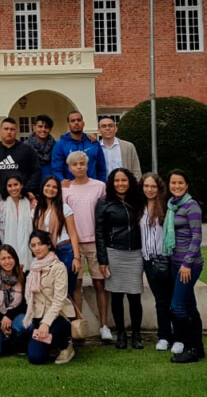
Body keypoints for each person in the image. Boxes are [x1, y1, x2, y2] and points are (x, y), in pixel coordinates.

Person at [62, 151, 111, 341]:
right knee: (77, 284)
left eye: (82, 163)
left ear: (87, 165)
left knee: (100, 283)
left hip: (96, 242)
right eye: (75, 164)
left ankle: (104, 326)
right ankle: (78, 325)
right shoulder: (66, 189)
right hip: (74, 244)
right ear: (69, 168)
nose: (79, 167)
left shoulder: (99, 186)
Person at [95, 168, 143, 350]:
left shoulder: (137, 200)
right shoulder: (104, 202)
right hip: (114, 252)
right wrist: (102, 260)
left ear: (129, 182)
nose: (120, 184)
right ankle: (121, 334)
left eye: (124, 180)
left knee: (134, 296)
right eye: (116, 180)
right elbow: (99, 232)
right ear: (111, 183)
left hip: (135, 253)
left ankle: (136, 334)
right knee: (116, 296)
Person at [165, 169, 204, 363]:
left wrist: (187, 263)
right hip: (175, 263)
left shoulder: (191, 206)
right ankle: (198, 348)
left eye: (180, 183)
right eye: (173, 183)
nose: (177, 186)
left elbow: (197, 236)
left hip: (188, 265)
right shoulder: (172, 206)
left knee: (177, 307)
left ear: (187, 185)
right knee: (189, 306)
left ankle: (190, 348)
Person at [138, 173, 178, 352]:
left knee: (173, 300)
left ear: (159, 188)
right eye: (146, 186)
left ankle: (178, 336)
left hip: (166, 259)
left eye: (153, 186)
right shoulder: (139, 207)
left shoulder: (167, 207)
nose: (149, 189)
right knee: (160, 301)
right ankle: (164, 336)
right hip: (148, 261)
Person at [24, 230, 76, 365]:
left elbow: (59, 300)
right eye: (33, 245)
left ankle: (66, 346)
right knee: (35, 357)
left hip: (60, 316)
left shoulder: (58, 267)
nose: (37, 248)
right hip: (38, 316)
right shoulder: (33, 268)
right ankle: (50, 344)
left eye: (40, 244)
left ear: (48, 245)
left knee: (39, 352)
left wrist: (45, 323)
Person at [32, 175, 80, 298]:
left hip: (64, 251)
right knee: (49, 291)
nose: (50, 189)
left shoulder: (64, 208)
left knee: (66, 291)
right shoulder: (36, 210)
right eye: (48, 186)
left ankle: (71, 311)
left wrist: (76, 258)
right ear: (42, 187)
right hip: (45, 254)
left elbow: (73, 234)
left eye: (54, 187)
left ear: (58, 190)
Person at [0, 117, 40, 195]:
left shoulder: (27, 150)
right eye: (6, 129)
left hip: (22, 196)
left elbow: (36, 171)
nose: (9, 132)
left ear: (16, 131)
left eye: (12, 129)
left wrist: (27, 190)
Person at [51, 111, 107, 186]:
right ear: (68, 125)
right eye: (73, 121)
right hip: (71, 187)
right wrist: (62, 181)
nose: (76, 123)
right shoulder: (60, 145)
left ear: (83, 123)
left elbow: (101, 169)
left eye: (79, 120)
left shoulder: (93, 143)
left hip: (93, 188)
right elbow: (56, 169)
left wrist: (102, 185)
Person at [0, 174, 33, 271]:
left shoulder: (31, 203)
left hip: (28, 248)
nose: (13, 188)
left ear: (21, 185)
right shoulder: (3, 205)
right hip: (9, 246)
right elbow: (1, 229)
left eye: (16, 184)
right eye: (10, 186)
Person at [24, 114, 56, 185]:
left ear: (50, 130)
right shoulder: (25, 147)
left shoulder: (56, 146)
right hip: (31, 184)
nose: (43, 130)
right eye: (40, 126)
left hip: (50, 184)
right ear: (34, 128)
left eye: (46, 127)